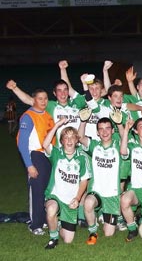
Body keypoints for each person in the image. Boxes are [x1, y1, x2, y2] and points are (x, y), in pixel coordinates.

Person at [42, 118, 90, 249]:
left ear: (77, 141)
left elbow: (84, 180)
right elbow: (45, 144)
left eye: (72, 138)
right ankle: (53, 237)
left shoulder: (82, 158)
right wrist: (57, 125)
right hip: (55, 196)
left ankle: (57, 225)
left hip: (71, 200)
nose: (69, 141)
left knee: (68, 240)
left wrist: (77, 198)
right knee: (51, 209)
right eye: (66, 138)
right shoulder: (57, 154)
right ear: (62, 141)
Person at [78, 117, 125, 245]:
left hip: (112, 195)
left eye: (108, 128)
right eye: (101, 129)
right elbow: (80, 137)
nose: (104, 132)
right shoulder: (94, 146)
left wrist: (120, 124)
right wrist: (83, 121)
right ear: (97, 132)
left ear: (112, 131)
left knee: (109, 234)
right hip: (96, 191)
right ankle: (93, 232)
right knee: (88, 203)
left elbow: (125, 137)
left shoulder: (119, 146)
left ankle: (113, 217)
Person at [15, 88, 55, 235]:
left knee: (46, 191)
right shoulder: (28, 116)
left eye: (45, 98)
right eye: (40, 98)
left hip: (47, 156)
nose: (43, 101)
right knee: (36, 191)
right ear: (34, 100)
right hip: (35, 156)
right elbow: (21, 143)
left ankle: (44, 219)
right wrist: (29, 165)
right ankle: (35, 224)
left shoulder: (47, 115)